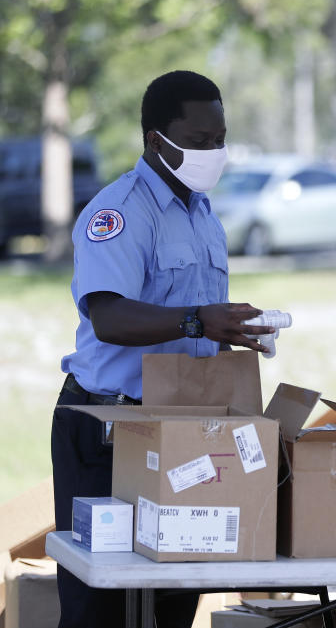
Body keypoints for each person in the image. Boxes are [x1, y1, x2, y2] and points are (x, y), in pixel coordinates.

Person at [53, 70, 275, 628]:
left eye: (220, 139)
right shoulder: (120, 213)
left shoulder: (203, 214)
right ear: (156, 140)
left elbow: (194, 324)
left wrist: (235, 331)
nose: (214, 152)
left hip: (183, 428)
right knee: (99, 604)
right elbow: (109, 317)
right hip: (109, 427)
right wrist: (200, 321)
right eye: (200, 141)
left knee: (178, 589)